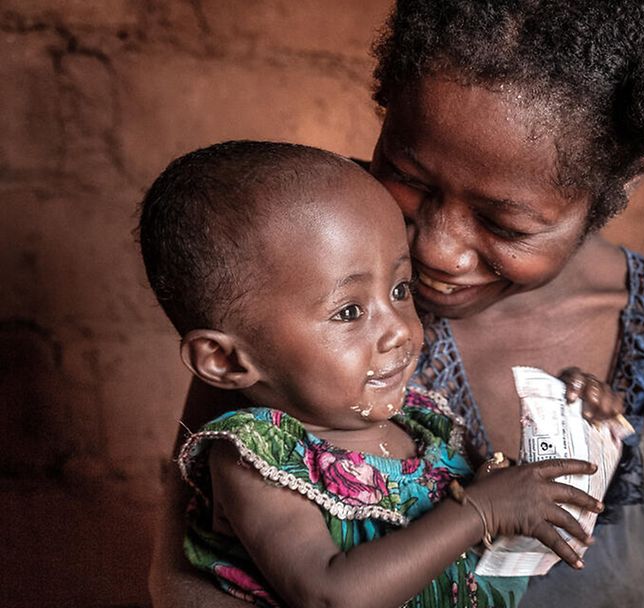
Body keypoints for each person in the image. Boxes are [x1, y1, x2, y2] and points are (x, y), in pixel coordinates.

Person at [150, 1, 644, 607]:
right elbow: (188, 583)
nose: (438, 252)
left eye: (505, 224)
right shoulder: (293, 272)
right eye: (410, 177)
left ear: (619, 184)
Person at [139, 140, 609, 608]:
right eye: (348, 312)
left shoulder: (421, 422)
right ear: (225, 361)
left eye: (401, 289)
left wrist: (572, 422)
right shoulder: (255, 459)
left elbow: (463, 547)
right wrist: (479, 511)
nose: (400, 331)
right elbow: (331, 595)